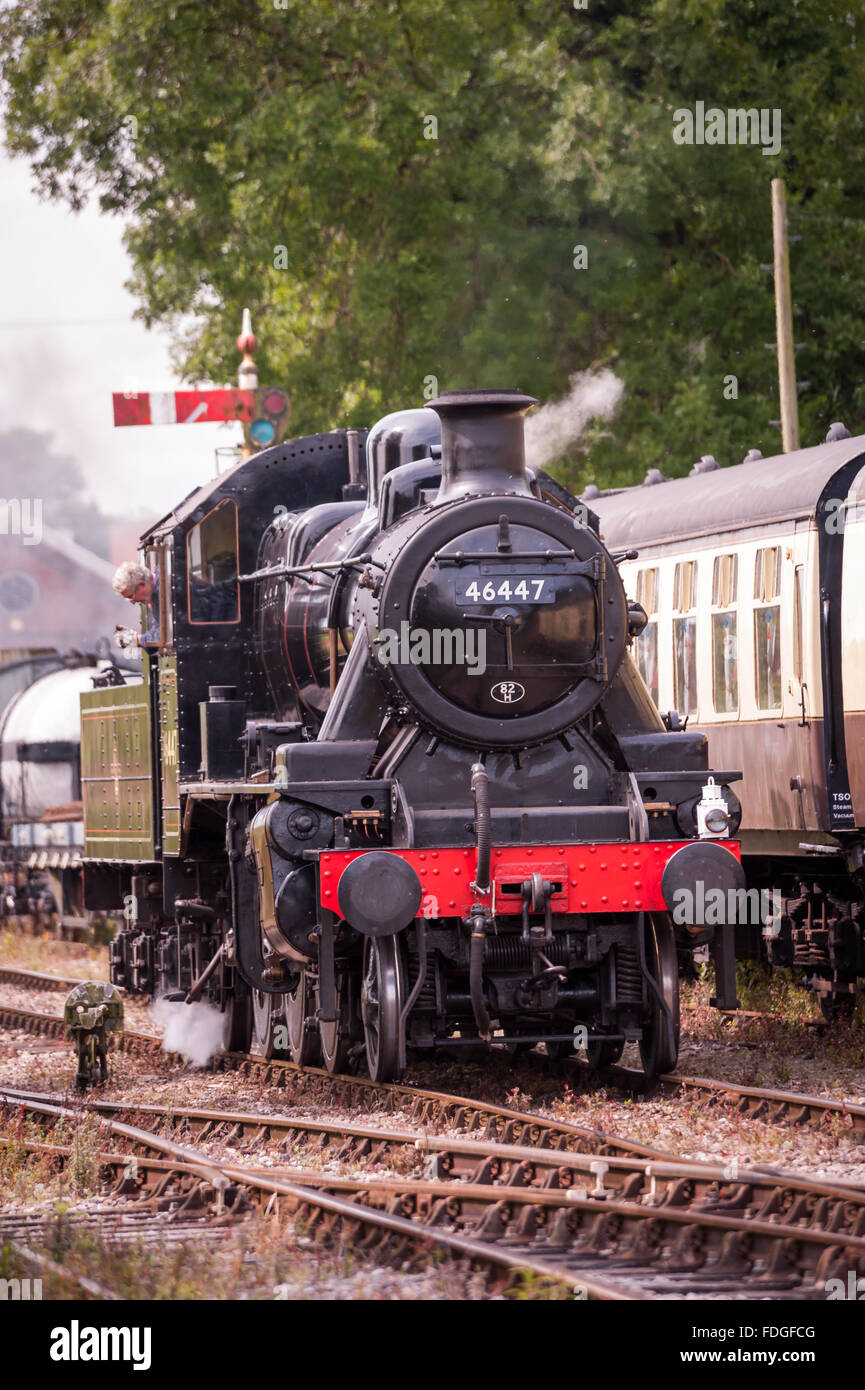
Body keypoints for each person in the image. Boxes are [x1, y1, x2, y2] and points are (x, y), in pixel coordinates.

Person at [112, 560, 160, 651]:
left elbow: (165, 635)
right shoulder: (156, 593)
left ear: (142, 584)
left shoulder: (162, 594)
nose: (133, 602)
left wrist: (136, 640)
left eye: (131, 596)